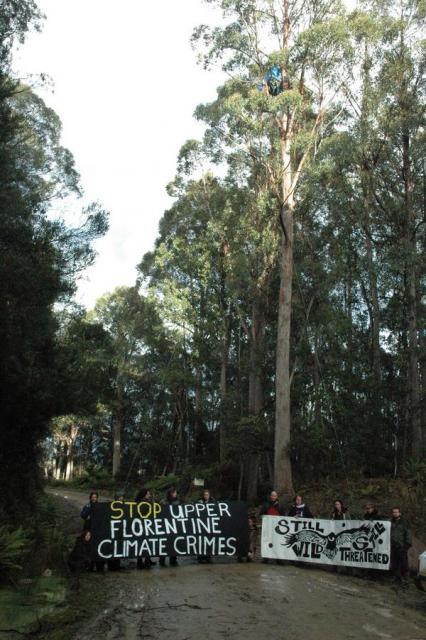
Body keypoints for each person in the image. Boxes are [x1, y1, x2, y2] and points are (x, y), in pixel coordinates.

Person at [260, 490, 285, 564]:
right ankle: (266, 558)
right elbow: (261, 514)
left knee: (277, 542)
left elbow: (283, 517)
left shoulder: (280, 506)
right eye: (272, 495)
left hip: (277, 528)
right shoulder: (266, 505)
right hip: (268, 527)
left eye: (275, 496)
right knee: (267, 542)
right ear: (270, 496)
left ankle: (278, 558)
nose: (273, 497)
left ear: (277, 497)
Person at [160, 486, 182, 567]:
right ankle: (162, 560)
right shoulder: (163, 502)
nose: (176, 494)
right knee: (164, 543)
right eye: (175, 492)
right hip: (165, 526)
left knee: (174, 542)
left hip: (174, 526)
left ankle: (173, 559)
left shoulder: (178, 502)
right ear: (171, 493)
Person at [135, 487, 156, 570]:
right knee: (141, 544)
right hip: (140, 527)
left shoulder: (149, 502)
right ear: (144, 495)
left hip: (148, 526)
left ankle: (147, 560)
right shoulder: (138, 503)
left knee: (148, 543)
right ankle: (140, 562)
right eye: (148, 494)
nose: (149, 495)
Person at [390, 507, 412, 587]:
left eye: (396, 512)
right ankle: (397, 578)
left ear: (400, 513)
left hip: (402, 546)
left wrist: (407, 545)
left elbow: (408, 534)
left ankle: (406, 580)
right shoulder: (390, 521)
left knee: (404, 564)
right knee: (394, 563)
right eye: (393, 512)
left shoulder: (404, 522)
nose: (395, 513)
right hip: (393, 546)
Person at [197, 489, 216, 564]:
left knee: (209, 540)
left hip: (210, 525)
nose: (206, 496)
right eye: (205, 495)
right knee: (201, 541)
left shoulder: (213, 502)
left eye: (207, 495)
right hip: (201, 525)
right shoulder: (199, 502)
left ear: (209, 495)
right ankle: (201, 557)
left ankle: (208, 556)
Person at [108, 490, 124, 572]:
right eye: (121, 497)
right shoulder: (113, 506)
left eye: (122, 497)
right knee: (113, 547)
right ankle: (112, 565)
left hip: (121, 530)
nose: (122, 498)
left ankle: (117, 564)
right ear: (117, 498)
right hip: (114, 530)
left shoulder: (124, 505)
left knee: (119, 547)